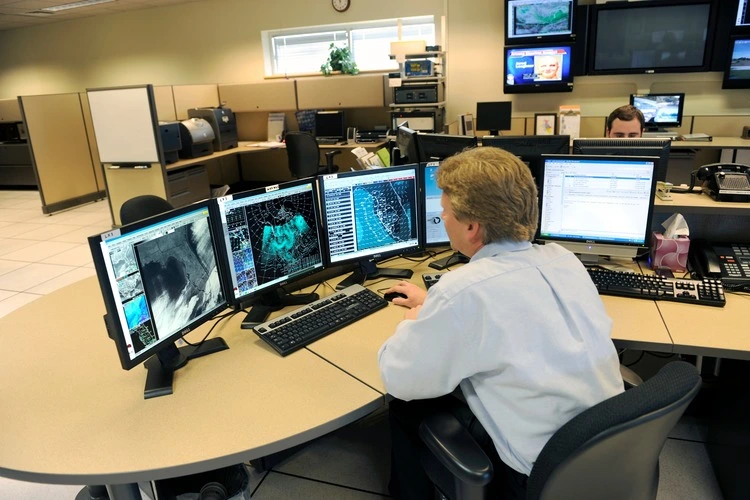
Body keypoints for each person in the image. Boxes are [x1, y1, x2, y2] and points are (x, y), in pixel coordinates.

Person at [378, 146, 624, 499]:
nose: (442, 218)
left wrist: (414, 321)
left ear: (472, 227)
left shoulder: (463, 291)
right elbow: (514, 312)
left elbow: (399, 378)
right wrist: (436, 304)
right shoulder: (563, 259)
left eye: (444, 212)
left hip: (536, 472)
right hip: (605, 446)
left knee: (405, 407)